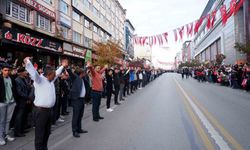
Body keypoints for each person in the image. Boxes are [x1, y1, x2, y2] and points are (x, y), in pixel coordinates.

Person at [24, 57, 68, 150]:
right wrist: (28, 62)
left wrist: (63, 66)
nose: (55, 76)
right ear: (48, 74)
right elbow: (33, 72)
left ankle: (44, 148)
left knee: (47, 132)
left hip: (49, 111)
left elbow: (57, 72)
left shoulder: (51, 79)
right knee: (40, 134)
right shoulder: (39, 80)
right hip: (41, 112)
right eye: (53, 75)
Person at [67, 67, 88, 138]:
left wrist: (87, 66)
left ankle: (79, 129)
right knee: (76, 116)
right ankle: (74, 131)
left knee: (80, 115)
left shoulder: (82, 79)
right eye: (84, 73)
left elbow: (84, 70)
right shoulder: (76, 77)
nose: (85, 73)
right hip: (76, 100)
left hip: (82, 100)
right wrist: (67, 68)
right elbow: (71, 73)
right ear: (81, 73)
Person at [0, 63, 17, 146]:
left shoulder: (12, 79)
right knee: (1, 121)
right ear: (2, 71)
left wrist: (15, 100)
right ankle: (1, 137)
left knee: (8, 120)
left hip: (11, 102)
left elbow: (14, 90)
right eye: (5, 70)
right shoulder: (0, 79)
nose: (7, 72)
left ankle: (6, 135)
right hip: (2, 103)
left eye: (8, 70)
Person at [14, 67, 30, 137]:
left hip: (25, 100)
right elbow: (19, 92)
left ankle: (22, 129)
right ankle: (17, 132)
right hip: (20, 101)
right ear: (21, 73)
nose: (26, 72)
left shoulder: (24, 79)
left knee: (24, 115)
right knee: (19, 116)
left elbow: (27, 89)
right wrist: (27, 97)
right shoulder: (17, 80)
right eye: (25, 71)